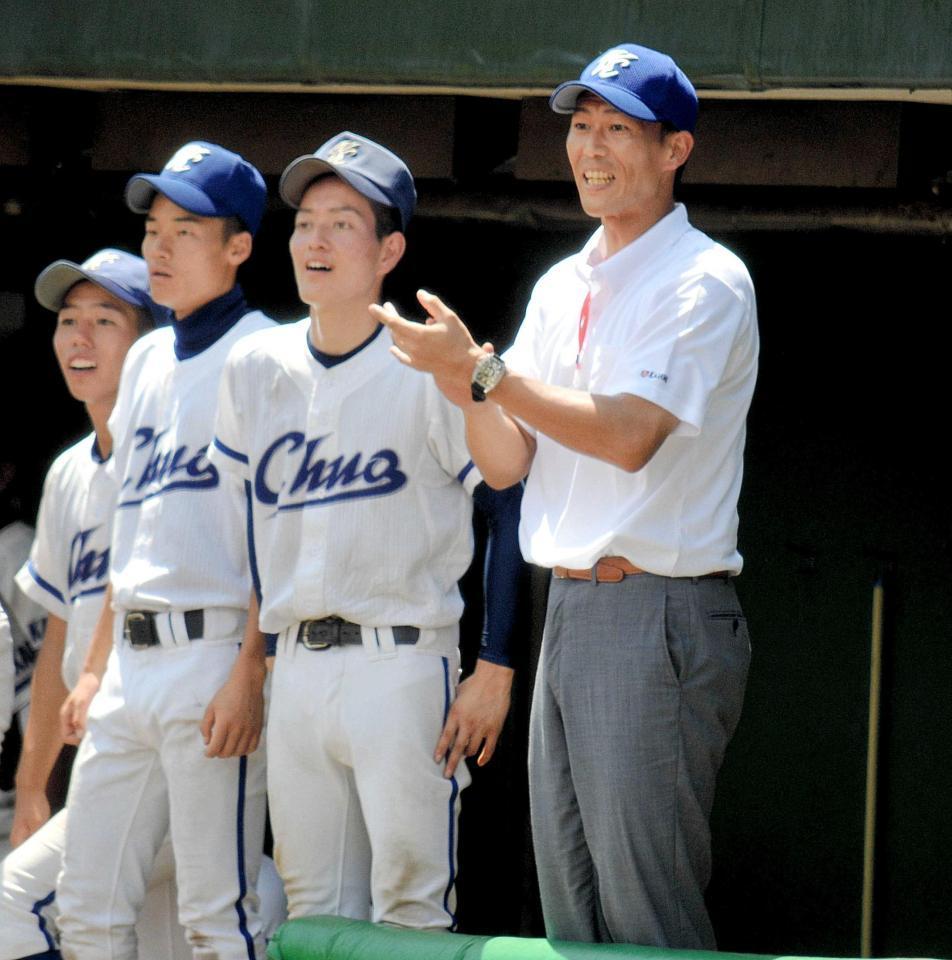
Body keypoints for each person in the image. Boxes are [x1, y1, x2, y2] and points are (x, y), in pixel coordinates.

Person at [377, 42, 759, 949]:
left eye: (617, 129)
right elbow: (508, 463)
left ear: (676, 149)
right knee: (574, 918)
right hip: (572, 610)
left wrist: (483, 372)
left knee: (644, 914)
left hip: (657, 607)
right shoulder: (562, 283)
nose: (591, 147)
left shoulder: (704, 277)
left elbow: (628, 436)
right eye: (581, 128)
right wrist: (455, 380)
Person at [209, 131, 523, 931]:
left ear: (390, 250)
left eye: (341, 223)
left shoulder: (428, 365)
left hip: (403, 662)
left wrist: (495, 664)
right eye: (305, 221)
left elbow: (508, 501)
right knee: (314, 918)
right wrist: (254, 660)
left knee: (412, 913)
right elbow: (251, 528)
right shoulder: (254, 366)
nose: (315, 239)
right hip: (298, 673)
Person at [54, 143, 275, 960]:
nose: (159, 247)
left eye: (185, 229)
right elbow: (129, 532)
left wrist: (251, 669)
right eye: (152, 228)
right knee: (85, 912)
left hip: (214, 652)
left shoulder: (266, 355)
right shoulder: (144, 356)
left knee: (217, 920)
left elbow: (276, 536)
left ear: (238, 246)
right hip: (131, 667)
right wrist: (93, 668)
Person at [0, 249, 197, 960]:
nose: (78, 338)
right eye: (68, 320)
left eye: (104, 320)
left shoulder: (191, 457)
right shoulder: (70, 471)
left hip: (174, 748)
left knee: (11, 908)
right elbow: (59, 635)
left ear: (152, 341)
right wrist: (31, 786)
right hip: (107, 760)